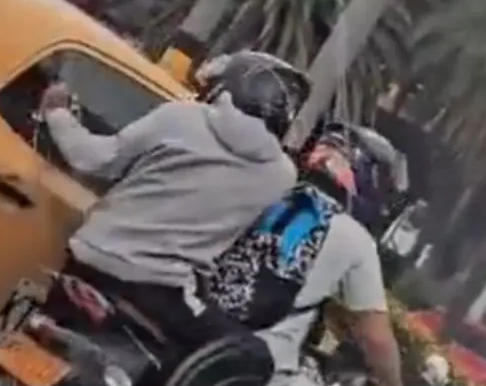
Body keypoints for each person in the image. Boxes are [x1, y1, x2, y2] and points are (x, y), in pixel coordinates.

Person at [190, 133, 411, 386]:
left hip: (191, 320)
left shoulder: (267, 187)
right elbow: (376, 338)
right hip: (255, 364)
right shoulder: (354, 239)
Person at [39, 50, 303, 355]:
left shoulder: (180, 116)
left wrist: (57, 114)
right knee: (252, 355)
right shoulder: (281, 176)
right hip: (157, 289)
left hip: (88, 256)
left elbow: (93, 159)